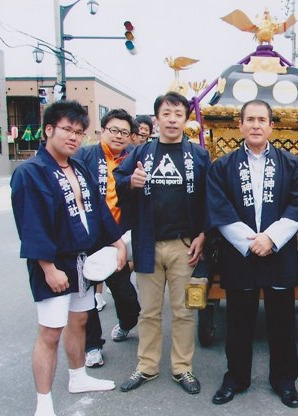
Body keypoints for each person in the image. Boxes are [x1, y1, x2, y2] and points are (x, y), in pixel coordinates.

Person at [10, 101, 126, 416]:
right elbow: (30, 224)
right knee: (50, 331)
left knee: (80, 320)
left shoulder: (79, 167)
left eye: (79, 132)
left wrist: (118, 243)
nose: (73, 137)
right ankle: (43, 401)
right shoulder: (30, 173)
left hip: (82, 260)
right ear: (49, 130)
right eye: (67, 130)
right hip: (53, 262)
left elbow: (100, 211)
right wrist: (47, 267)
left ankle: (78, 376)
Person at [207, 99, 298, 408]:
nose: (256, 125)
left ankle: (284, 380)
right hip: (239, 254)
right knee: (239, 321)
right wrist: (249, 241)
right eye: (250, 119)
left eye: (262, 120)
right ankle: (236, 378)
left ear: (271, 126)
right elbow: (219, 207)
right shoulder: (223, 166)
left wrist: (271, 238)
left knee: (282, 321)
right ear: (240, 125)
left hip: (278, 252)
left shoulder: (291, 164)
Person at [115, 92, 210, 395]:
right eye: (166, 113)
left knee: (183, 311)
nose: (171, 119)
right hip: (147, 243)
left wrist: (204, 234)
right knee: (149, 311)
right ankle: (147, 366)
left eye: (178, 114)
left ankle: (183, 368)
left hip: (185, 245)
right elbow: (118, 178)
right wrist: (131, 182)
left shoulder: (198, 155)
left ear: (186, 119)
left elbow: (213, 197)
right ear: (156, 119)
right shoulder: (142, 151)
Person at [76, 109, 141, 368]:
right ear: (102, 130)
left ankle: (127, 323)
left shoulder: (134, 159)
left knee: (126, 295)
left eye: (124, 132)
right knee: (86, 295)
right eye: (113, 130)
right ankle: (92, 345)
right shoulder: (84, 157)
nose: (118, 136)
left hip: (119, 240)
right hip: (87, 238)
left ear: (130, 136)